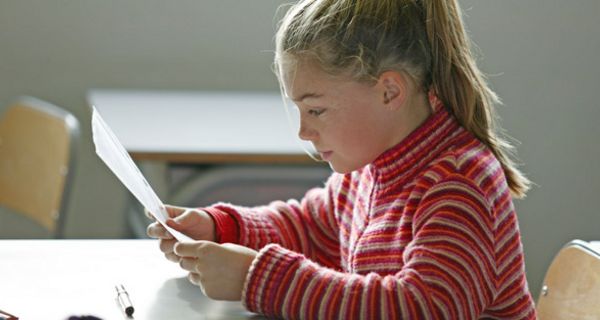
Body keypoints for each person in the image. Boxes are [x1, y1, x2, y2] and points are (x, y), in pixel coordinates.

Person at [147, 0, 537, 318]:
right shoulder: (370, 168)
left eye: (316, 110)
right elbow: (309, 228)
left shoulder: (460, 183)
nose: (303, 131)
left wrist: (258, 278)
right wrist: (221, 229)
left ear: (389, 92)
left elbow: (422, 307)